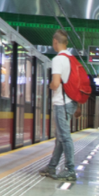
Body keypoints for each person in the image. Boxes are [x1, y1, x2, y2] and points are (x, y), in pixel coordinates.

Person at [39, 29, 77, 181]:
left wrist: (50, 86)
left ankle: (70, 169)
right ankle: (52, 167)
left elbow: (56, 83)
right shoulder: (71, 58)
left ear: (55, 42)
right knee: (60, 137)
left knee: (65, 137)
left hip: (61, 103)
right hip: (70, 102)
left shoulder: (58, 59)